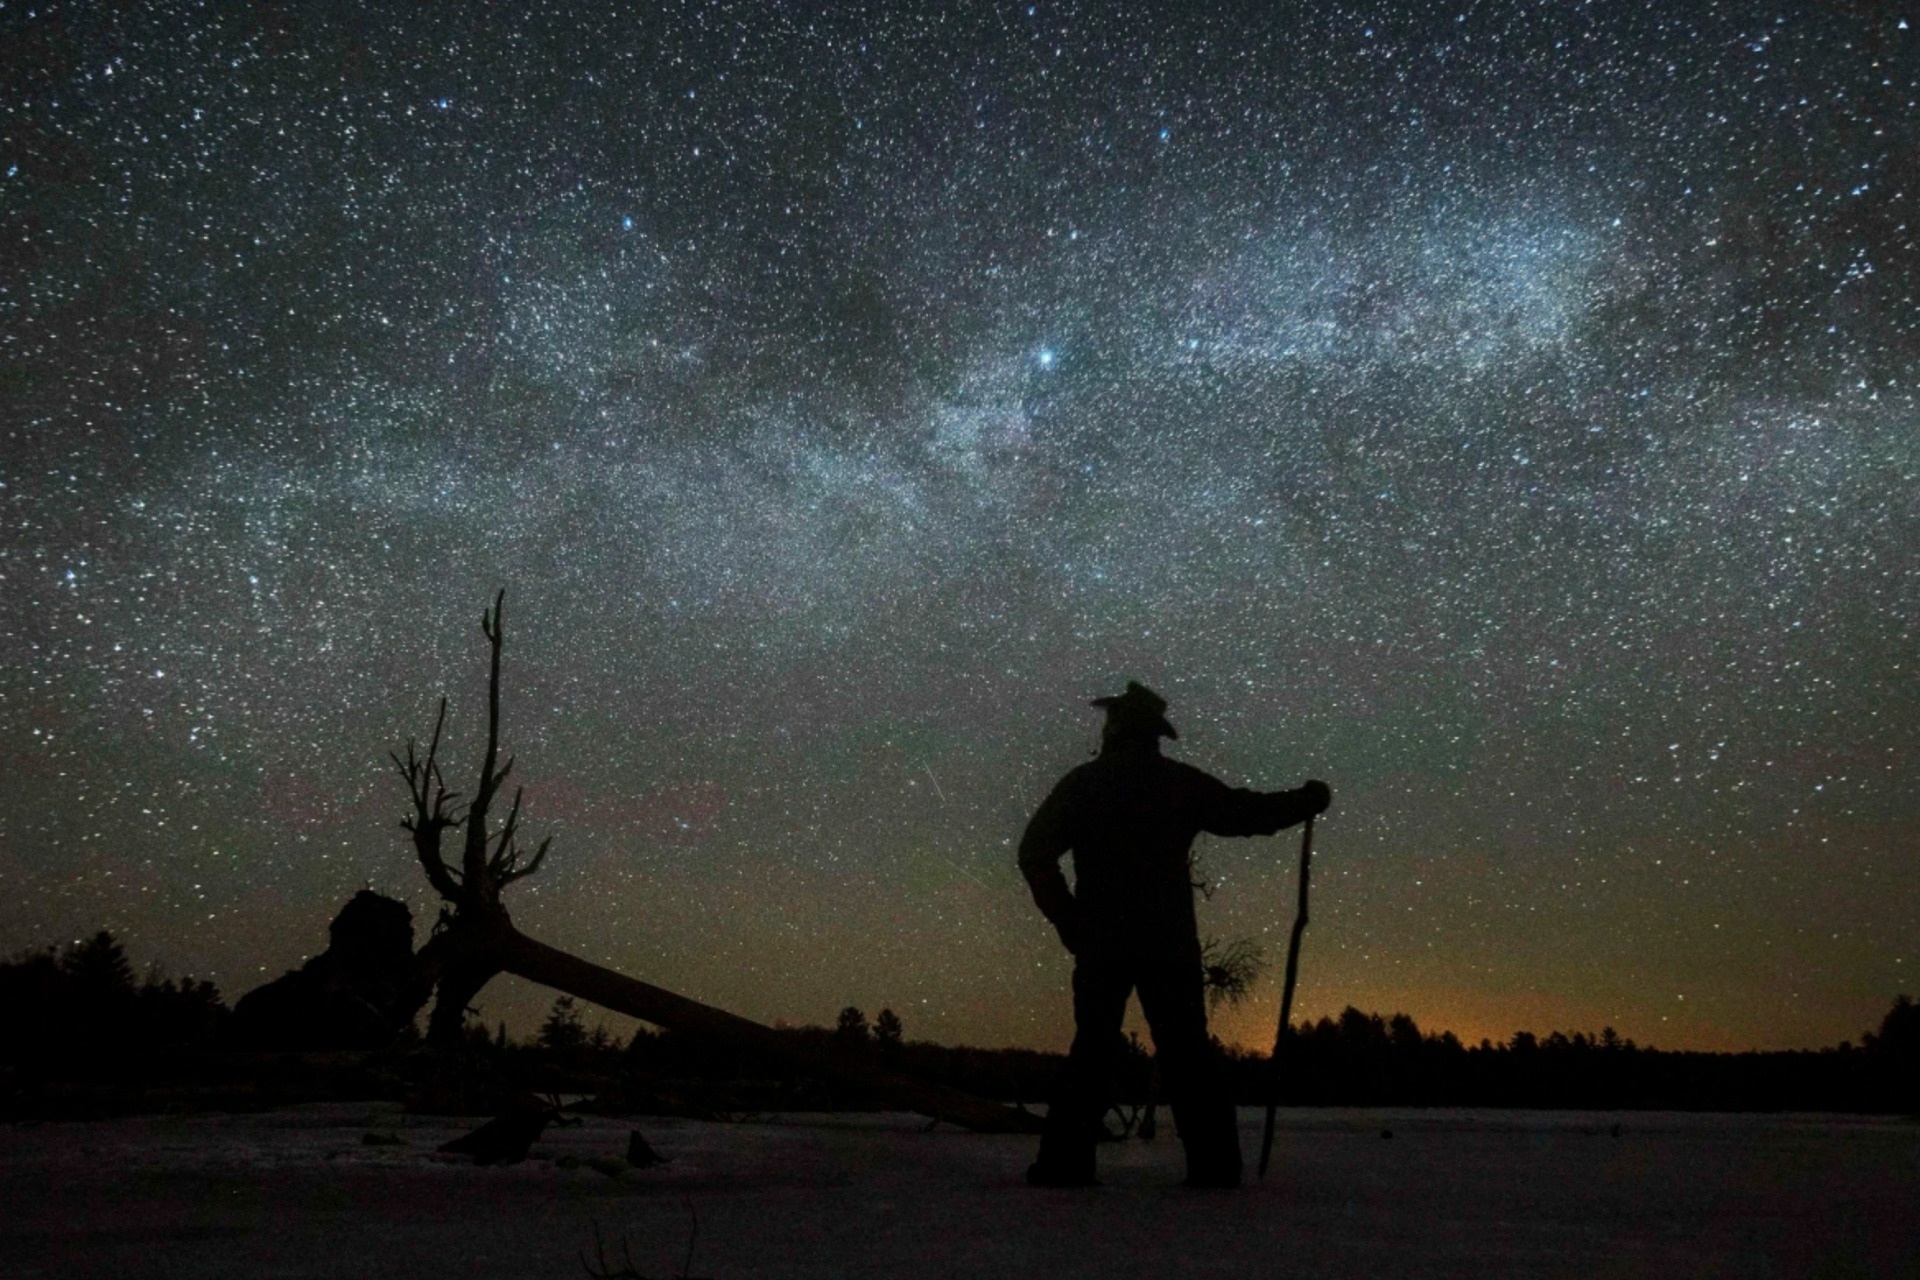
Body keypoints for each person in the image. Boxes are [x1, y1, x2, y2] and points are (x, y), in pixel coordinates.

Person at [1019, 681, 1329, 1188]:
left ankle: (1065, 1163)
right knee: (1187, 1051)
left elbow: (1034, 854)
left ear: (1115, 728)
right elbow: (1242, 813)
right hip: (1167, 942)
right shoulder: (1177, 784)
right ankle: (1215, 1166)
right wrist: (1303, 802)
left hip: (1105, 941)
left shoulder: (1083, 785)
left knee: (1093, 1049)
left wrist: (1071, 922)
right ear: (1153, 734)